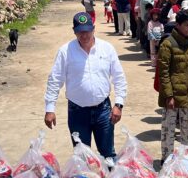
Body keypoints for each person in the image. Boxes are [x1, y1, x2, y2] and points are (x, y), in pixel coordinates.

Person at [44, 12, 127, 159]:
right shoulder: (65, 51)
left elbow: (119, 77)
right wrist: (50, 109)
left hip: (103, 111)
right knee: (82, 157)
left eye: (87, 31)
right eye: (80, 32)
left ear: (93, 29)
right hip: (77, 112)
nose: (84, 35)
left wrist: (119, 104)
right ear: (74, 31)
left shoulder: (106, 48)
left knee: (108, 154)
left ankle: (109, 175)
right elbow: (55, 80)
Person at [157, 10, 188, 161]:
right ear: (178, 25)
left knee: (187, 130)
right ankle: (166, 159)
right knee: (168, 130)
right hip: (172, 97)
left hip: (187, 95)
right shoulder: (167, 44)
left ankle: (185, 159)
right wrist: (169, 96)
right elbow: (163, 73)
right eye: (186, 25)